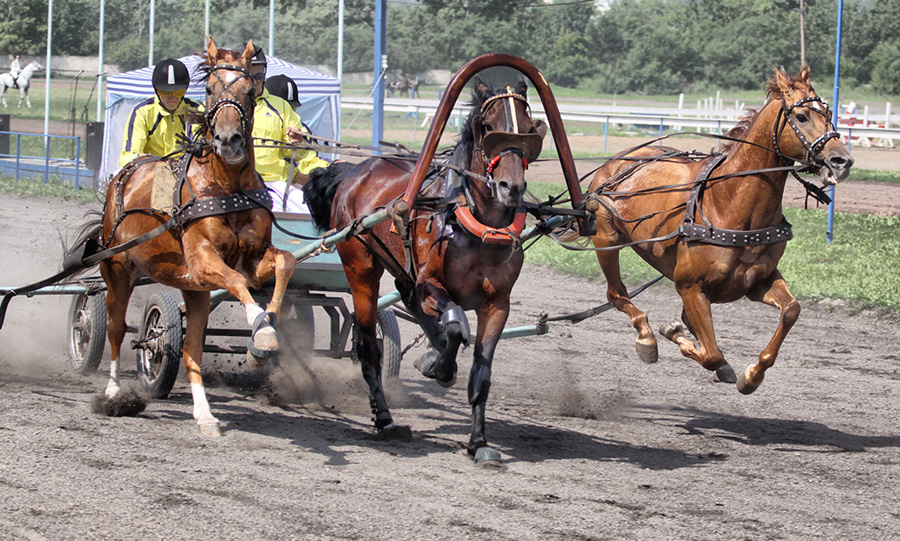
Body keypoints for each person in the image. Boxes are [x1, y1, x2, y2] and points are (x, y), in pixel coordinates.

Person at [238, 43, 331, 213]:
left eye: (260, 76)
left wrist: (329, 169)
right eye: (251, 76)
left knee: (313, 211)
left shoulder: (280, 106)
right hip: (233, 185)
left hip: (273, 185)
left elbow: (305, 156)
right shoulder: (222, 106)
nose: (256, 82)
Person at [119, 58, 199, 167]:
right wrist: (139, 158)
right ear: (156, 90)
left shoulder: (196, 111)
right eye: (165, 92)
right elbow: (128, 157)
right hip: (150, 169)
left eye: (178, 92)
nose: (172, 97)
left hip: (186, 170)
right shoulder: (142, 112)